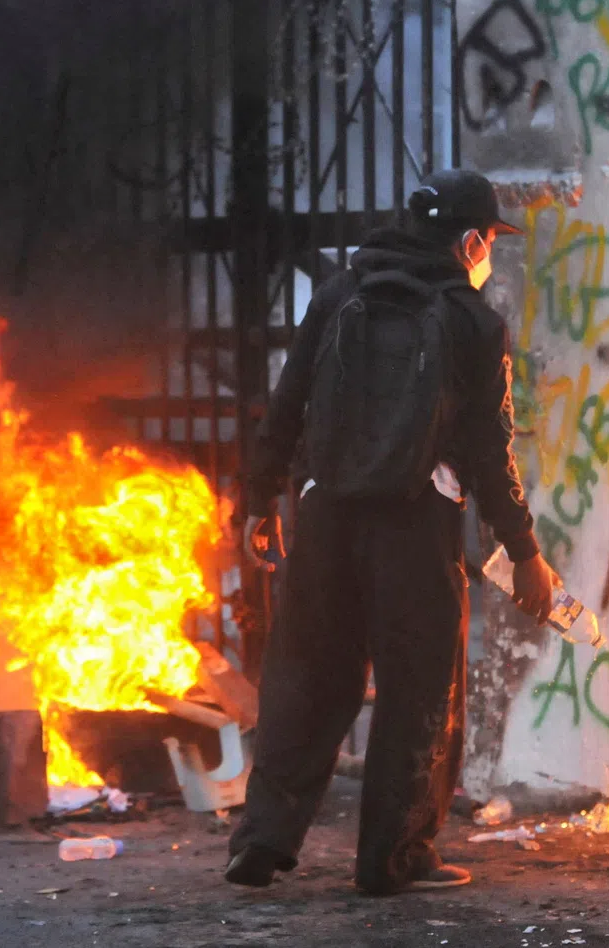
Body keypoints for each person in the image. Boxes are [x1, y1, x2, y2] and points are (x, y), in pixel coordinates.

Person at [225, 169, 558, 895]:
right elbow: (488, 447)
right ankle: (394, 858)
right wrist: (523, 549)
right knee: (420, 689)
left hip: (324, 516)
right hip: (415, 523)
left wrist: (257, 501)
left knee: (307, 681)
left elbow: (288, 401)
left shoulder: (340, 293)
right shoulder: (472, 320)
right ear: (470, 241)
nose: (488, 256)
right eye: (489, 243)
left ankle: (262, 839)